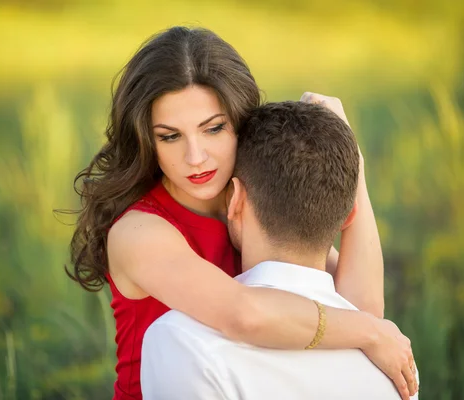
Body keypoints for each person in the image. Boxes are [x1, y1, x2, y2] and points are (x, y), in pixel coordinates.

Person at [67, 26, 417, 400]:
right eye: (170, 136)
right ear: (145, 139)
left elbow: (357, 306)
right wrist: (373, 333)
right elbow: (244, 315)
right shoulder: (140, 231)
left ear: (239, 121)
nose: (195, 157)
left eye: (213, 129)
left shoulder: (251, 201)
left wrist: (352, 161)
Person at [140, 101, 419, 399]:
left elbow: (246, 313)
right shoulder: (395, 361)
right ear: (349, 216)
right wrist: (354, 164)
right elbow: (367, 306)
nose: (195, 158)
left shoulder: (181, 341)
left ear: (234, 199)